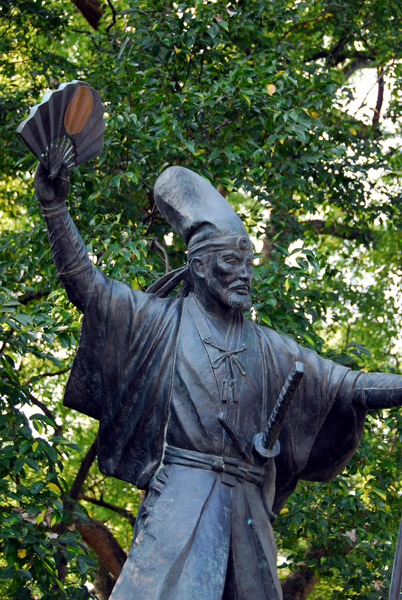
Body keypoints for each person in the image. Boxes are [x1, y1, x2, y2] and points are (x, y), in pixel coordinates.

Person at [34, 163, 402, 600]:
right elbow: (88, 288)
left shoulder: (274, 348)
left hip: (249, 508)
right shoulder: (157, 323)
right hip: (181, 499)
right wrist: (54, 208)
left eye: (248, 263)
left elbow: (350, 385)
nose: (245, 273)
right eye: (231, 262)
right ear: (200, 267)